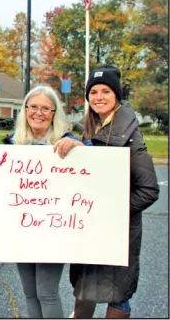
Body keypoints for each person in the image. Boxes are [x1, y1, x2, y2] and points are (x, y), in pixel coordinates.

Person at [65, 65, 159, 319]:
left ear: (117, 94)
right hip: (88, 228)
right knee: (85, 287)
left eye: (105, 91)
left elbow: (148, 189)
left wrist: (111, 211)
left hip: (119, 232)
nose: (98, 97)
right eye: (93, 92)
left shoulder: (131, 137)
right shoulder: (87, 129)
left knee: (117, 293)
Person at [6, 85, 82, 318]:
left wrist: (80, 148)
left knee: (47, 292)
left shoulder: (66, 142)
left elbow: (90, 170)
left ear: (53, 113)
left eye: (45, 109)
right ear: (25, 110)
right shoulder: (12, 144)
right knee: (29, 292)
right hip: (22, 228)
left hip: (53, 228)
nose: (38, 113)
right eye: (33, 107)